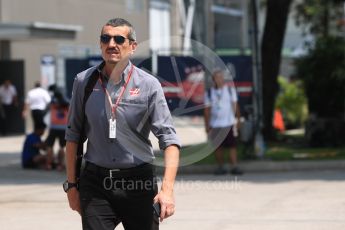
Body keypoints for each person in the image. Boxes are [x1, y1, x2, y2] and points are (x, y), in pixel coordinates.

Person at [64, 18, 180, 230]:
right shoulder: (83, 82)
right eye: (105, 38)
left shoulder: (148, 85)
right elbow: (73, 137)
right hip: (96, 184)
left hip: (139, 182)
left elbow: (170, 140)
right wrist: (71, 186)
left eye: (119, 39)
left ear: (133, 46)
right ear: (100, 44)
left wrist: (167, 190)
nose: (111, 44)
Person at [204, 70, 243, 175]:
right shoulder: (209, 93)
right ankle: (221, 167)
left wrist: (238, 120)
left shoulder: (230, 90)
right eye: (217, 77)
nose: (219, 79)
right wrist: (207, 125)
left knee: (232, 146)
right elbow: (207, 110)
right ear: (213, 80)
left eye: (221, 77)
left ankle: (234, 167)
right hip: (215, 125)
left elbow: (236, 106)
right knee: (218, 147)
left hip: (228, 123)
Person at [45, 85, 69, 171]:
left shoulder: (52, 102)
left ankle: (48, 164)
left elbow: (46, 108)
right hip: (63, 127)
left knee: (49, 145)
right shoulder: (67, 103)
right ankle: (60, 165)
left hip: (53, 127)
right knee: (62, 146)